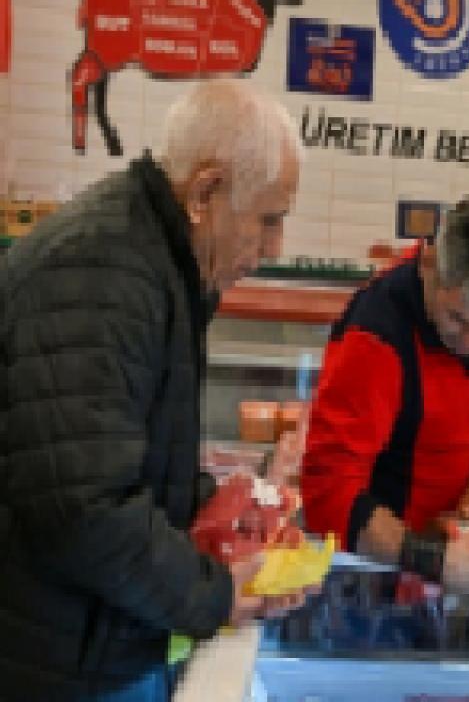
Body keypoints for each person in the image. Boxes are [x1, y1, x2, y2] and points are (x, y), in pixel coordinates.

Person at [0, 80, 309, 700]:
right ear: (204, 193)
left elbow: (124, 458)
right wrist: (214, 593)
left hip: (93, 641)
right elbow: (84, 509)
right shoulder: (101, 272)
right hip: (56, 665)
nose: (274, 248)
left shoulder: (152, 259)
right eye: (268, 220)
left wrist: (224, 514)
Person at [301, 195, 469, 592]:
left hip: (449, 562)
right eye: (458, 319)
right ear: (428, 263)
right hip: (372, 572)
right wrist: (431, 558)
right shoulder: (374, 336)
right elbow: (329, 493)